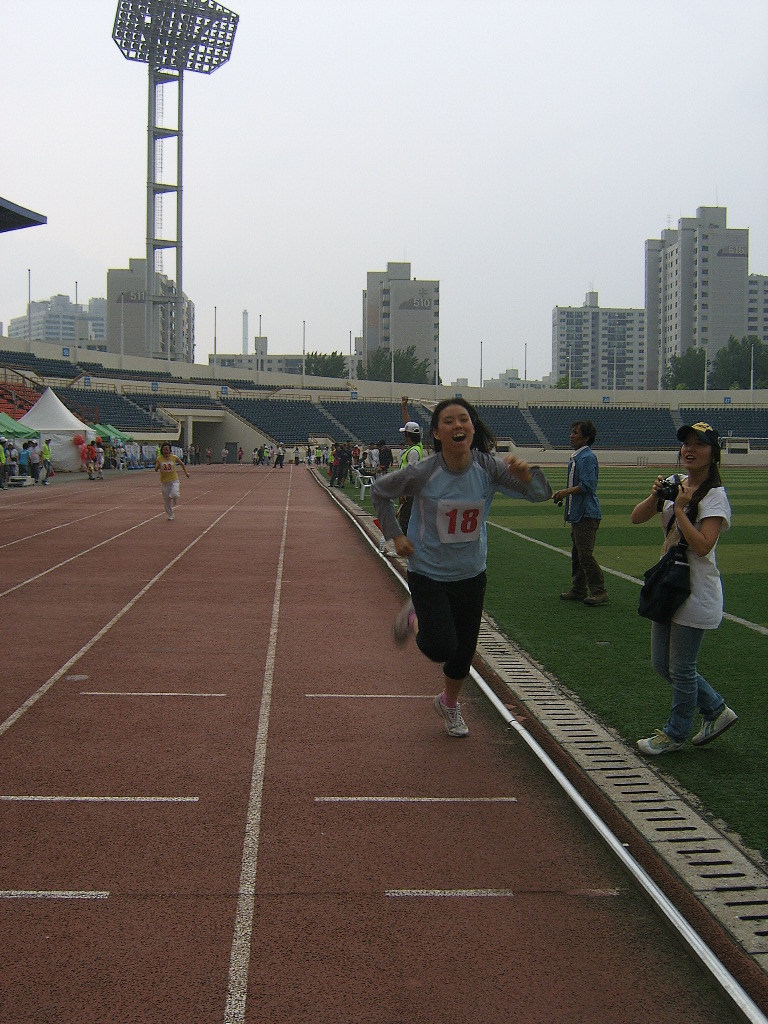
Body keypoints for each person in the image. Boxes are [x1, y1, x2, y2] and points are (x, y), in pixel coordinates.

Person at [372, 398, 552, 738]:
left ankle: (449, 704)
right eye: (449, 421)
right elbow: (381, 492)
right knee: (440, 646)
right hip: (428, 571)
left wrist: (530, 476)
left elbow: (539, 494)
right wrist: (395, 536)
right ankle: (415, 615)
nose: (458, 426)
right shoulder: (424, 471)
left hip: (471, 573)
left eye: (464, 420)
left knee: (463, 651)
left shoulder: (489, 467)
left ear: (472, 427)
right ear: (437, 433)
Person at [631, 422, 737, 755]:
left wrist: (679, 510)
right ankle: (716, 709)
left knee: (682, 667)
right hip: (668, 586)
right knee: (663, 666)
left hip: (695, 589)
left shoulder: (715, 496)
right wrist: (655, 496)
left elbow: (703, 545)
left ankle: (675, 734)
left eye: (699, 445)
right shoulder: (676, 484)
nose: (689, 450)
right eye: (686, 444)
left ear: (713, 453)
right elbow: (636, 518)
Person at [553, 420, 608, 606]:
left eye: (575, 433)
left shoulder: (587, 458)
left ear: (586, 438)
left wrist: (565, 492)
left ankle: (599, 591)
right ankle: (578, 589)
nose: (571, 435)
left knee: (585, 555)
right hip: (579, 513)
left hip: (587, 514)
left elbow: (588, 485)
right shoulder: (578, 457)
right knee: (578, 554)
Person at [396, 397, 425, 532]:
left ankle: (408, 551)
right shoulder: (417, 446)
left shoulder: (413, 452)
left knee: (405, 521)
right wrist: (404, 407)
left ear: (408, 436)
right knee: (406, 520)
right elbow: (409, 424)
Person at [155, 442, 190, 521]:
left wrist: (186, 473)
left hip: (174, 480)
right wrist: (157, 468)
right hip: (164, 482)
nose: (166, 451)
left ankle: (175, 497)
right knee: (167, 501)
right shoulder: (159, 459)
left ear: (169, 450)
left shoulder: (174, 457)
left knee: (174, 494)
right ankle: (170, 514)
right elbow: (156, 468)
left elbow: (182, 464)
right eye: (164, 449)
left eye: (167, 449)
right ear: (162, 450)